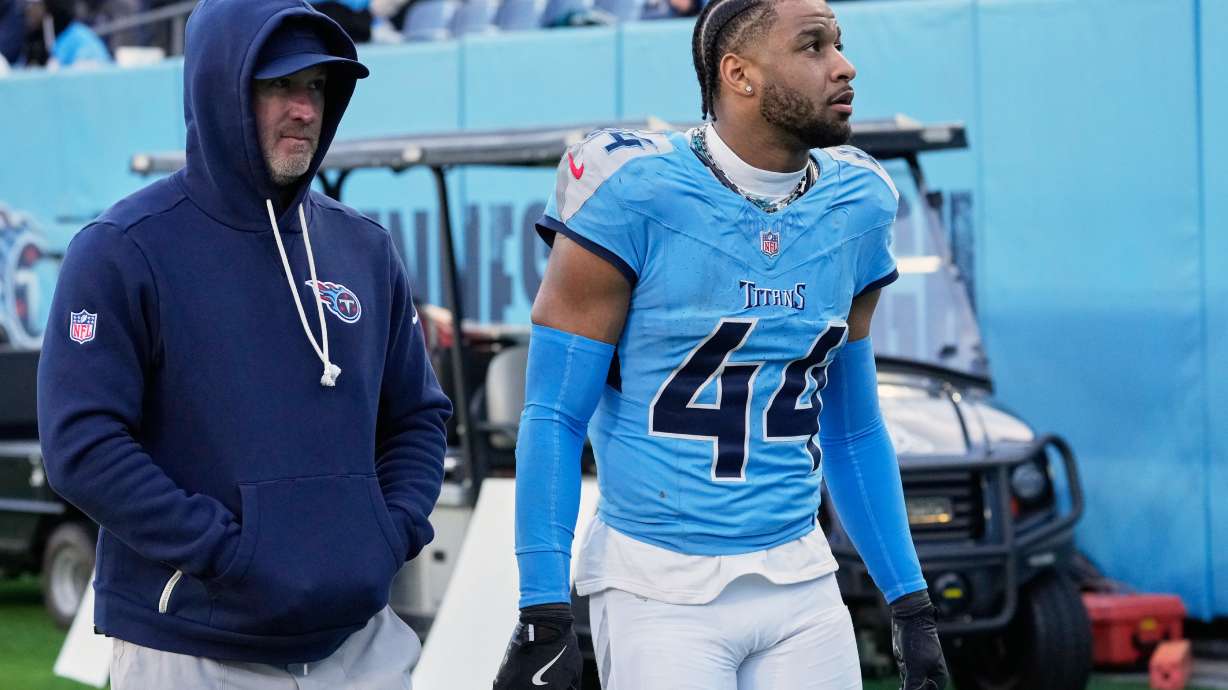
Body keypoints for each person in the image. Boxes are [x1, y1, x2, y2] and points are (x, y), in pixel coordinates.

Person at [492, 0, 949, 688]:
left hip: (801, 573)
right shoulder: (634, 188)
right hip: (658, 583)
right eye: (814, 46)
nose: (845, 66)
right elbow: (555, 415)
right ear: (739, 74)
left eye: (839, 44)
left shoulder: (859, 199)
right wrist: (544, 612)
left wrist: (910, 603)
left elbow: (852, 428)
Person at [36, 0, 451, 688]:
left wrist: (388, 533)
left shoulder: (363, 248)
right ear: (220, 90)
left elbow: (417, 417)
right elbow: (83, 446)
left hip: (358, 644)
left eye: (317, 87)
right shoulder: (123, 251)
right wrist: (228, 554)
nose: (304, 110)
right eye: (280, 86)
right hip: (192, 647)